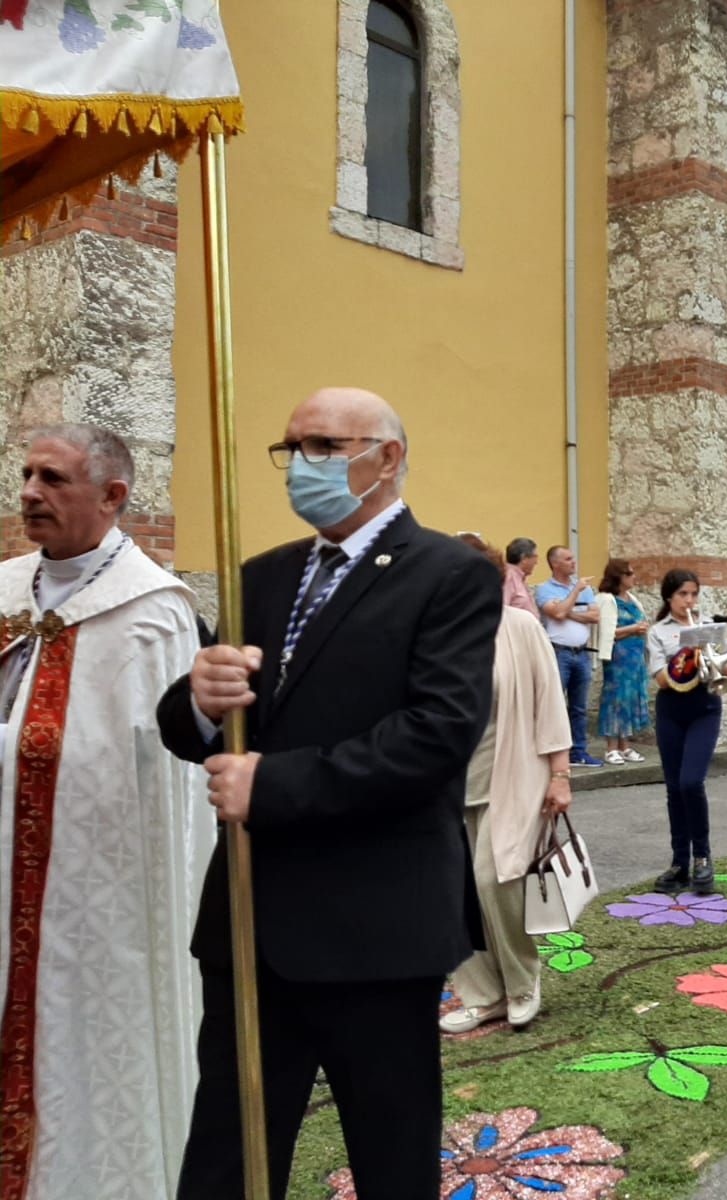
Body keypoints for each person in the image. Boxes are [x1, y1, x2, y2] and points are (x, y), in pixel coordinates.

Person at [156, 388, 500, 1199]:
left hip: (375, 931)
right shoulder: (261, 576)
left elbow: (436, 733)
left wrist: (273, 783)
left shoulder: (449, 576)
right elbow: (194, 727)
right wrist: (199, 704)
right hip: (252, 922)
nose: (299, 467)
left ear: (386, 456)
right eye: (291, 450)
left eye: (321, 447)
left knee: (389, 1159)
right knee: (226, 1160)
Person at [0, 424, 212, 1200]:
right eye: (26, 474)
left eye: (52, 478)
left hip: (98, 902)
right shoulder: (4, 586)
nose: (29, 492)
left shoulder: (153, 612)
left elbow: (163, 783)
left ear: (113, 496)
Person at [442, 535, 572, 1034]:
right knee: (454, 893)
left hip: (512, 776)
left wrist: (559, 774)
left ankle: (522, 982)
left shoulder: (519, 627)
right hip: (448, 786)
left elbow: (549, 701)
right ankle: (480, 994)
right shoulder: (435, 634)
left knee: (493, 881)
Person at [645, 570, 722, 894]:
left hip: (704, 707)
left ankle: (702, 857)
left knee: (692, 782)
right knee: (675, 788)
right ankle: (680, 862)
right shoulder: (657, 632)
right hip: (672, 709)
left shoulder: (709, 627)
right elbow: (662, 679)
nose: (689, 601)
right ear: (669, 597)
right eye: (683, 595)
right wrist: (686, 652)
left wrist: (707, 646)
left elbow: (726, 670)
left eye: (693, 594)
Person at [536, 546, 602, 767]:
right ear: (555, 564)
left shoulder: (585, 588)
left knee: (579, 707)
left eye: (573, 558)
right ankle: (550, 753)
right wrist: (575, 593)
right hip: (558, 653)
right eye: (568, 559)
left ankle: (579, 752)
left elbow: (595, 616)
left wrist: (568, 612)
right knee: (552, 705)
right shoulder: (545, 589)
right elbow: (556, 613)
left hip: (581, 653)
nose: (573, 562)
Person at [596, 558, 650, 765]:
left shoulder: (632, 599)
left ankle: (625, 745)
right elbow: (607, 632)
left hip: (635, 656)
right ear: (618, 577)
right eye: (629, 574)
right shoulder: (607, 600)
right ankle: (611, 748)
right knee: (615, 699)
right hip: (618, 656)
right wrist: (633, 629)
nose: (634, 577)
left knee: (630, 699)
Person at [502, 536, 538, 615]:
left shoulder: (520, 579)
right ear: (524, 558)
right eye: (535, 556)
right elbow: (502, 610)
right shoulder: (509, 578)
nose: (536, 562)